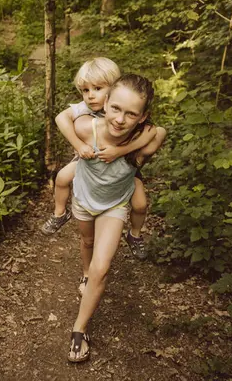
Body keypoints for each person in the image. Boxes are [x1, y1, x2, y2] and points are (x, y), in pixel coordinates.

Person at [66, 74, 166, 363]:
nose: (120, 119)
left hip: (114, 205)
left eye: (131, 113)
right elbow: (64, 120)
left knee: (103, 266)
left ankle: (79, 329)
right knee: (86, 240)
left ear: (143, 116)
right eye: (116, 108)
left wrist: (123, 150)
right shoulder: (86, 127)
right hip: (85, 199)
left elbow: (161, 132)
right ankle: (85, 274)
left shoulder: (143, 139)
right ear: (106, 102)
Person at [40, 58, 158, 261]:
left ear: (114, 90)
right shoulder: (83, 109)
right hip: (88, 162)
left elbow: (155, 131)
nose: (90, 95)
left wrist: (123, 151)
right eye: (85, 90)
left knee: (140, 204)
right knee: (61, 178)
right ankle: (60, 213)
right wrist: (78, 145)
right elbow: (61, 118)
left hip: (122, 168)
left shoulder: (123, 110)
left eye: (97, 88)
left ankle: (135, 235)